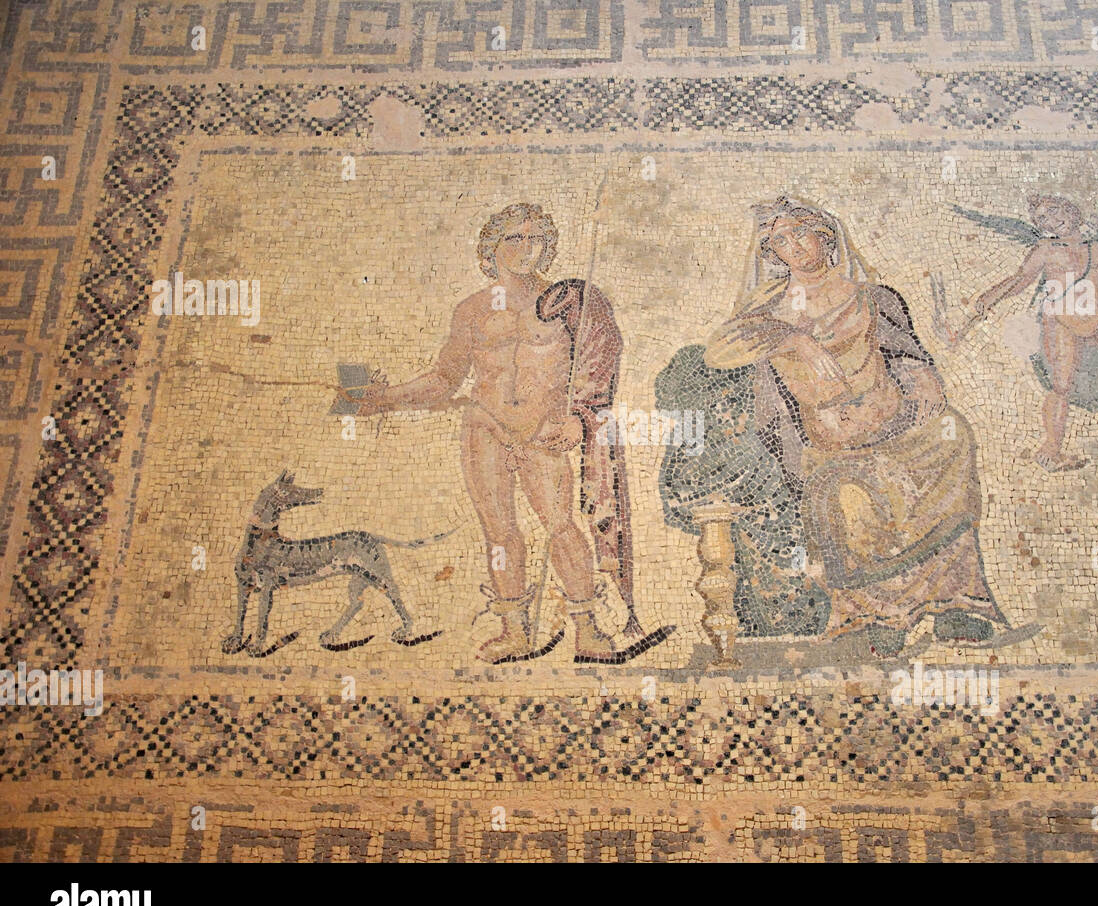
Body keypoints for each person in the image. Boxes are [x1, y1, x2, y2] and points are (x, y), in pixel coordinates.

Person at [348, 203, 661, 664]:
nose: (526, 249)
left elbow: (599, 361)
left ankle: (588, 628)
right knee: (500, 532)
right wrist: (386, 397)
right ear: (491, 247)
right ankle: (514, 629)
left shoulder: (563, 303)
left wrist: (579, 418)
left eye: (536, 239)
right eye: (514, 239)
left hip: (541, 431)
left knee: (561, 526)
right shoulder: (473, 309)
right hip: (485, 428)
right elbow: (445, 378)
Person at [703, 196, 1006, 654]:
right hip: (832, 447)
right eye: (781, 240)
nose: (795, 246)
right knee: (852, 503)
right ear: (773, 254)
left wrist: (922, 378)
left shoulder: (869, 297)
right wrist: (796, 339)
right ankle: (881, 614)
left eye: (802, 232)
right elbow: (718, 350)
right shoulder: (768, 312)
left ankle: (953, 603)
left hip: (899, 428)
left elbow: (904, 353)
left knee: (953, 437)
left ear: (825, 236)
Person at [973, 194, 1098, 472]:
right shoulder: (1046, 249)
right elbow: (1021, 279)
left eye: (1054, 211)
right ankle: (1051, 449)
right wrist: (990, 296)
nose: (1052, 221)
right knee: (1061, 386)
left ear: (1071, 208)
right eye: (1043, 219)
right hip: (1061, 321)